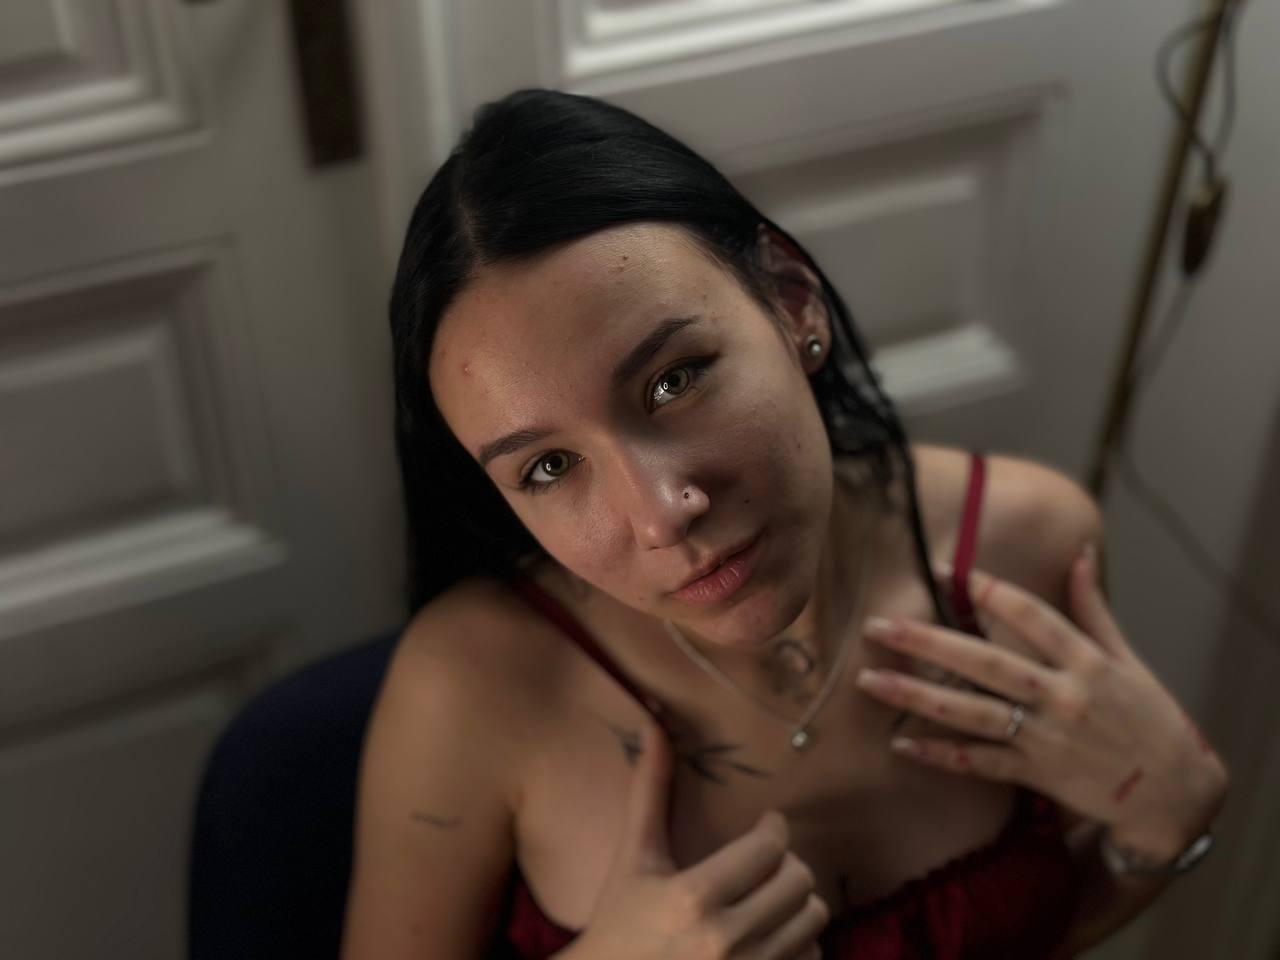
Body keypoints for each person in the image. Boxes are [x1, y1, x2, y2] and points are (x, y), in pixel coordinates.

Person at [341, 88, 1228, 959]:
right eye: (547, 467)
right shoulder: (468, 689)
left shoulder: (1031, 546)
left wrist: (1164, 829)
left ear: (792, 298)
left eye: (673, 381)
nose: (661, 514)